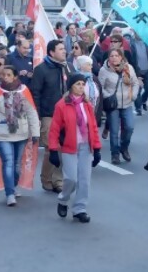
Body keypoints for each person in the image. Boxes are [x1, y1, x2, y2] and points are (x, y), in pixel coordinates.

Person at [0, 65, 40, 206]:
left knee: (16, 164)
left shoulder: (24, 91)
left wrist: (35, 133)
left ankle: (13, 186)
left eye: (8, 75)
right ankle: (9, 193)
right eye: (3, 75)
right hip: (2, 134)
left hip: (21, 134)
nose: (5, 77)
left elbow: (32, 112)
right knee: (8, 162)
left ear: (15, 76)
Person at [49, 73, 102, 223]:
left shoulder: (87, 105)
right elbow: (55, 129)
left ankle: (80, 209)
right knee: (71, 179)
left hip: (86, 146)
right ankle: (63, 199)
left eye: (83, 84)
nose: (81, 87)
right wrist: (53, 149)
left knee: (84, 180)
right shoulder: (62, 105)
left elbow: (92, 127)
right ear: (71, 86)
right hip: (69, 147)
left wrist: (97, 148)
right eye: (78, 84)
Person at [30, 39, 76, 193]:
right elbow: (35, 93)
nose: (65, 51)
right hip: (49, 114)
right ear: (52, 52)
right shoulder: (41, 69)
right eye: (61, 49)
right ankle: (46, 179)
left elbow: (75, 88)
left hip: (67, 114)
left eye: (64, 49)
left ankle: (58, 180)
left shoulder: (68, 67)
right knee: (52, 148)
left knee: (64, 148)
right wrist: (36, 116)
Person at [98, 48, 139, 164]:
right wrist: (109, 96)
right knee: (114, 131)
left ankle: (124, 147)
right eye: (112, 56)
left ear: (121, 57)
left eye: (117, 55)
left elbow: (135, 83)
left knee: (129, 127)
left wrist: (134, 95)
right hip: (113, 105)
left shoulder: (128, 68)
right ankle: (115, 154)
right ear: (108, 58)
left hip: (127, 103)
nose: (114, 58)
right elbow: (100, 87)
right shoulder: (104, 70)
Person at [131, 32, 148, 115]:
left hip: (147, 70)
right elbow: (131, 58)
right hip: (137, 71)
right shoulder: (131, 45)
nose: (139, 34)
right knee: (137, 90)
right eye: (137, 33)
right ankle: (138, 108)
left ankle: (143, 101)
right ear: (134, 33)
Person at [76, 55, 102, 126]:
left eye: (91, 65)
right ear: (82, 66)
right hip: (80, 114)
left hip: (93, 112)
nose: (91, 67)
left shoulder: (93, 78)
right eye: (88, 65)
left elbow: (100, 94)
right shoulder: (76, 79)